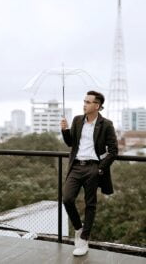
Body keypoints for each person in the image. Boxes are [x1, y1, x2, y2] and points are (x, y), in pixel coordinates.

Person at [60, 90, 118, 256]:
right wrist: (65, 130)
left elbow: (114, 151)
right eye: (84, 101)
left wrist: (100, 168)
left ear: (97, 106)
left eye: (88, 102)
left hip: (93, 168)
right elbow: (71, 143)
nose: (84, 104)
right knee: (67, 199)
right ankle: (79, 228)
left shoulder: (106, 124)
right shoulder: (77, 120)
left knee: (90, 204)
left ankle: (84, 240)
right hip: (76, 166)